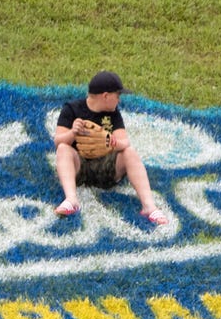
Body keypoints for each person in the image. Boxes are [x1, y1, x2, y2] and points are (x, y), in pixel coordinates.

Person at [53, 70, 168, 226]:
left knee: (129, 152)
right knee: (63, 149)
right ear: (105, 96)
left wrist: (109, 142)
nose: (119, 100)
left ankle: (149, 206)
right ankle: (71, 199)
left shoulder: (113, 114)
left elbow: (124, 142)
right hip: (79, 166)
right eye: (117, 95)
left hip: (105, 168)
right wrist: (73, 133)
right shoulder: (72, 109)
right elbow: (58, 141)